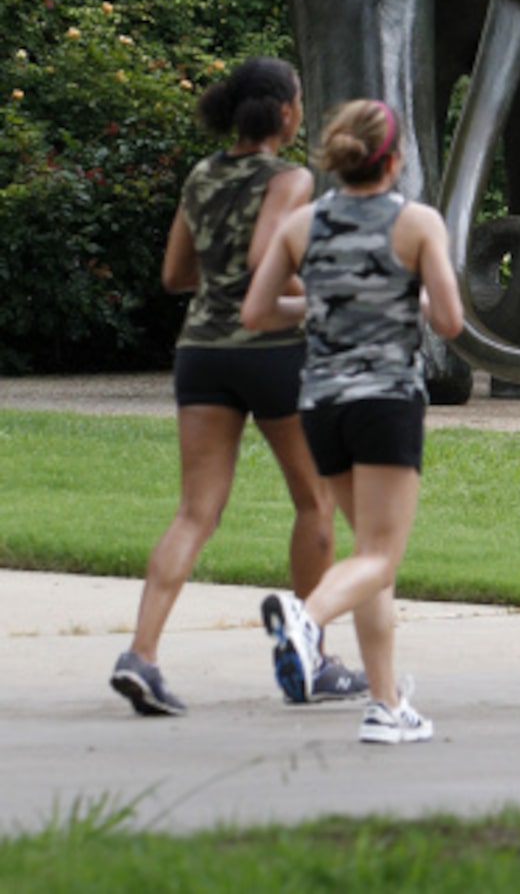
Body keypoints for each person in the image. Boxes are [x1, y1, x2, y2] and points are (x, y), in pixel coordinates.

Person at [110, 57, 364, 716]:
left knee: (195, 511)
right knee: (314, 501)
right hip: (272, 352)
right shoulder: (290, 177)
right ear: (284, 112)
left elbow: (174, 273)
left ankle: (141, 654)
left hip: (202, 352)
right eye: (300, 100)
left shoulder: (202, 174)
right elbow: (265, 266)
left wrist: (230, 281)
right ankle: (311, 657)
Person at [241, 97, 465, 744]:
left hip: (320, 406)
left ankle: (387, 705)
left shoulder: (300, 226)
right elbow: (449, 322)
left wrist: (325, 302)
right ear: (393, 159)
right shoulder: (417, 223)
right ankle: (304, 619)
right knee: (378, 555)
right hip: (385, 401)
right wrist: (412, 295)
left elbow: (257, 313)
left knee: (371, 559)